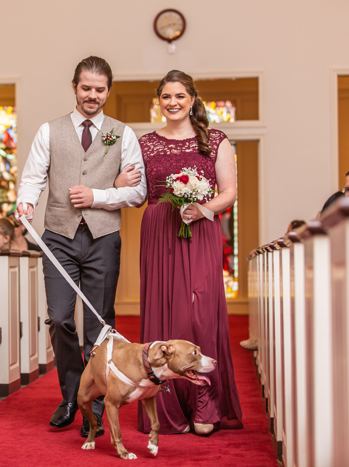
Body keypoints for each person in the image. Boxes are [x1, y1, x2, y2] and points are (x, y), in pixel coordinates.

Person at [16, 56, 147, 438]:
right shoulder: (49, 131)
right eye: (86, 88)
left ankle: (96, 404)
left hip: (103, 239)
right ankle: (72, 394)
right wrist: (26, 201)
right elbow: (33, 177)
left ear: (108, 90)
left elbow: (138, 192)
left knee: (99, 325)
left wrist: (99, 195)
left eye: (100, 89)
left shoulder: (122, 134)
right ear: (75, 87)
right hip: (58, 236)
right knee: (59, 318)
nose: (93, 95)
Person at [135, 70, 242, 436]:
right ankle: (164, 408)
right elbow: (135, 190)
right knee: (164, 312)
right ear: (159, 101)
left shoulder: (214, 140)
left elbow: (229, 191)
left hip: (200, 231)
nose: (173, 102)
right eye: (166, 96)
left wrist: (202, 208)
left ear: (192, 99)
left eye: (180, 96)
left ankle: (204, 405)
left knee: (200, 315)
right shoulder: (146, 142)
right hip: (159, 231)